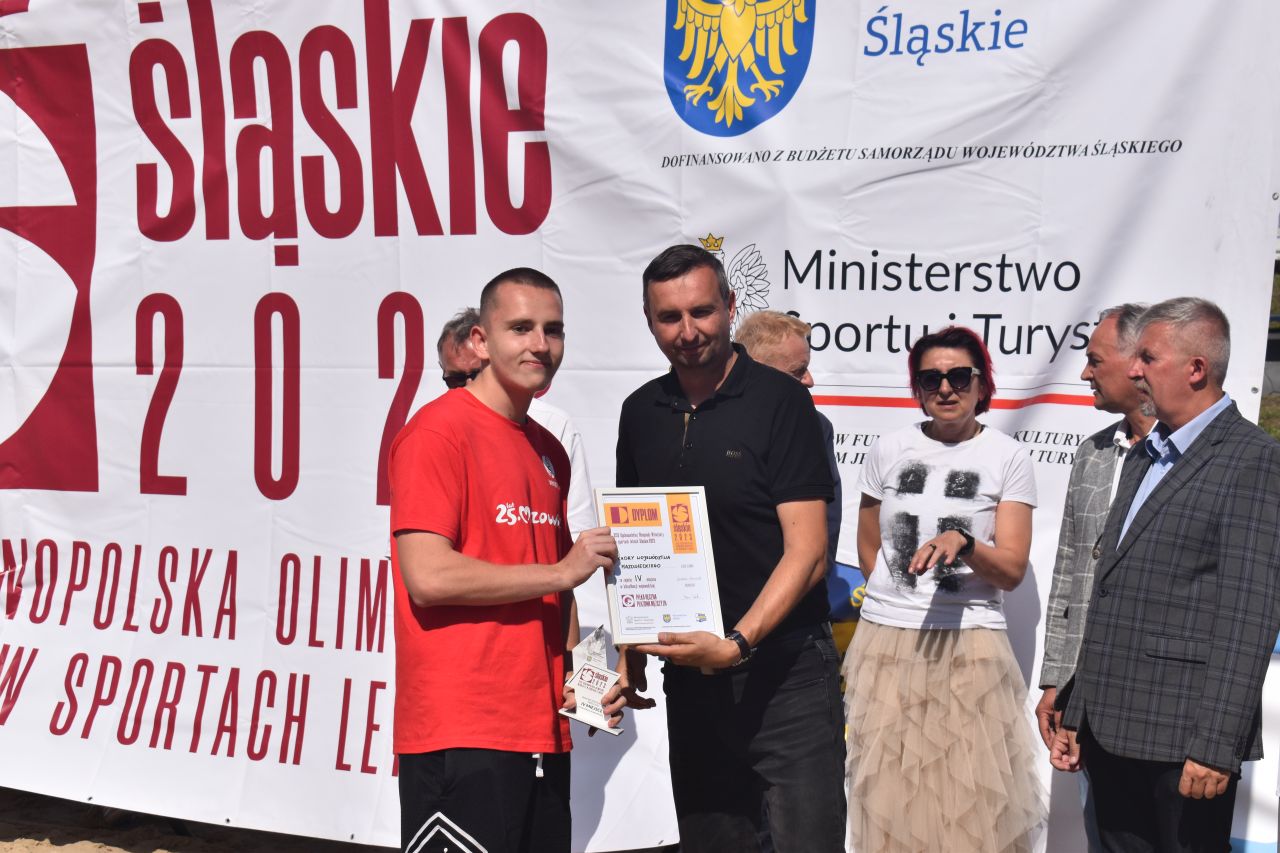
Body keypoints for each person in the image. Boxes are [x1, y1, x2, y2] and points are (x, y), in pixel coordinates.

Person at [616, 245, 844, 852]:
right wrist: (631, 649)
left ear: (730, 306)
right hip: (691, 679)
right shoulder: (640, 413)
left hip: (788, 675)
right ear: (649, 321)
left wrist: (736, 644)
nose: (688, 331)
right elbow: (638, 548)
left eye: (702, 312)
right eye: (669, 317)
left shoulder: (782, 402)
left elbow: (809, 552)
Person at [389, 269, 622, 853]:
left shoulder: (548, 450)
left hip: (541, 728)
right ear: (481, 340)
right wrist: (562, 571)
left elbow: (558, 585)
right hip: (461, 730)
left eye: (553, 330)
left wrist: (581, 680)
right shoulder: (436, 433)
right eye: (520, 328)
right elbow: (428, 576)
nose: (540, 344)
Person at [1054, 297, 1280, 852]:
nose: (1134, 370)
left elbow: (1249, 615)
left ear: (1196, 368)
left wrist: (1216, 746)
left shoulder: (1253, 460)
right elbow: (1110, 592)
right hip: (1110, 732)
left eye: (1148, 358)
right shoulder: (1143, 454)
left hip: (1184, 744)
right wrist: (1077, 711)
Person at [843, 325, 1045, 853]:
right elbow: (869, 546)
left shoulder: (1007, 457)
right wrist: (898, 599)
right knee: (893, 799)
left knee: (968, 805)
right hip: (887, 643)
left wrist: (966, 544)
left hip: (968, 644)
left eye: (959, 376)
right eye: (931, 378)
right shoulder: (889, 448)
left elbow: (1012, 570)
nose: (946, 388)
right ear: (917, 386)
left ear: (982, 383)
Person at [1035, 303, 1153, 851]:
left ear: (1139, 363)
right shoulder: (1094, 453)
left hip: (1165, 703)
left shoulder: (1200, 457)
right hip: (1093, 700)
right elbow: (1069, 574)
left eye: (1094, 360)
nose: (1084, 373)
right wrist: (1057, 682)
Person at [437, 308, 596, 537]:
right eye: (455, 379)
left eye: (477, 373)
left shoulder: (554, 426)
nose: (469, 386)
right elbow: (413, 546)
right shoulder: (432, 430)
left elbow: (579, 531)